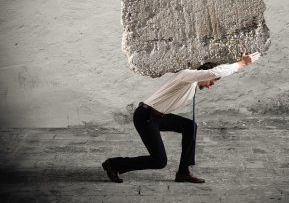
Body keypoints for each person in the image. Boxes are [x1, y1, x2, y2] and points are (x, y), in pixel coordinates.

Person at [102, 51, 261, 183]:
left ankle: (183, 172)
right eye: (211, 82)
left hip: (157, 117)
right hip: (145, 116)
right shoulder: (186, 75)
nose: (211, 85)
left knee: (190, 126)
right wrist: (241, 64)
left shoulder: (191, 86)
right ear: (203, 74)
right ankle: (114, 164)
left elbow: (215, 72)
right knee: (159, 161)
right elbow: (215, 71)